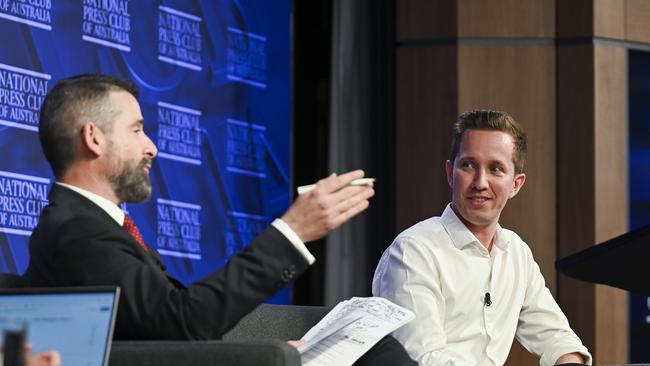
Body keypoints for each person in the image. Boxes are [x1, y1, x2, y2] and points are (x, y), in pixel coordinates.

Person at [23, 73, 376, 340]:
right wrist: (292, 232)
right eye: (136, 130)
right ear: (94, 138)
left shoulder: (91, 226)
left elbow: (171, 327)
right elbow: (183, 323)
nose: (152, 148)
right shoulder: (79, 233)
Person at [372, 110, 591, 365]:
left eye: (496, 169)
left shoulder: (516, 252)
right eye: (468, 165)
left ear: (516, 184)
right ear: (449, 173)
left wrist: (569, 360)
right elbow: (422, 360)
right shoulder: (413, 252)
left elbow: (557, 337)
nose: (480, 182)